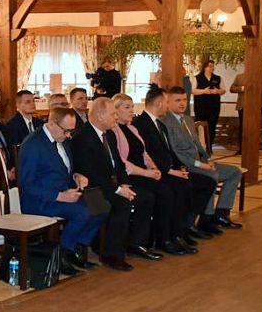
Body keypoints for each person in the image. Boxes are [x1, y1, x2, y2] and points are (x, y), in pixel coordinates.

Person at [70, 97, 153, 271]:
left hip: (111, 185)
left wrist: (125, 184)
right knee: (121, 204)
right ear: (100, 115)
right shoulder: (82, 137)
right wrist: (117, 190)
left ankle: (134, 243)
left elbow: (119, 164)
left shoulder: (109, 134)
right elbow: (90, 173)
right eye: (113, 113)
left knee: (146, 197)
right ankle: (112, 254)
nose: (116, 117)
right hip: (91, 188)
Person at [18, 107, 100, 274]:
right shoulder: (33, 145)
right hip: (41, 200)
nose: (69, 135)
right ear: (52, 124)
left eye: (71, 131)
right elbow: (27, 184)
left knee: (100, 205)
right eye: (66, 131)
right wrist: (60, 196)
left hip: (64, 191)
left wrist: (76, 176)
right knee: (82, 212)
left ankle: (75, 248)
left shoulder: (61, 139)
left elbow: (64, 169)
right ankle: (61, 255)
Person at [133, 87, 211, 249]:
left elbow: (169, 151)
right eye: (167, 102)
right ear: (159, 104)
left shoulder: (159, 124)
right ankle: (167, 237)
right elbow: (149, 154)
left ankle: (184, 227)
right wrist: (170, 171)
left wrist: (180, 167)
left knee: (206, 182)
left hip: (168, 169)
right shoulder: (141, 124)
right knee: (178, 187)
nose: (168, 106)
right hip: (155, 171)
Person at [163, 86, 243, 232]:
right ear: (167, 102)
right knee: (211, 176)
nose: (182, 103)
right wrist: (200, 165)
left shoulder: (188, 119)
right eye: (177, 100)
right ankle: (206, 219)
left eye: (184, 99)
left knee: (234, 172)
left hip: (201, 162)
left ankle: (221, 213)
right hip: (186, 165)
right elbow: (176, 153)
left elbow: (197, 145)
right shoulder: (165, 122)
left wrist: (207, 159)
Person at [110, 94, 174, 258]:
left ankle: (163, 236)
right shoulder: (114, 131)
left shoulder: (132, 128)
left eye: (132, 106)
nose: (131, 110)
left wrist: (153, 167)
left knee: (170, 188)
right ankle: (142, 241)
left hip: (142, 173)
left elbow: (144, 153)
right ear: (115, 110)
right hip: (129, 176)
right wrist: (147, 173)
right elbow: (121, 162)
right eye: (126, 107)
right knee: (153, 195)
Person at [230, 70, 262, 155]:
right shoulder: (239, 77)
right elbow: (232, 88)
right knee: (242, 128)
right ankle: (242, 149)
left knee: (254, 128)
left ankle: (253, 149)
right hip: (242, 106)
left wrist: (261, 104)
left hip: (255, 107)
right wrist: (241, 88)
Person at [191, 60, 225, 154]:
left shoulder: (218, 78)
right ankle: (201, 147)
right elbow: (193, 91)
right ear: (205, 67)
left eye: (213, 66)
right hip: (200, 106)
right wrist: (203, 91)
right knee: (200, 126)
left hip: (214, 107)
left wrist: (217, 91)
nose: (212, 68)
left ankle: (209, 147)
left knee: (212, 126)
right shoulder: (197, 78)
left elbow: (223, 90)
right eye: (210, 66)